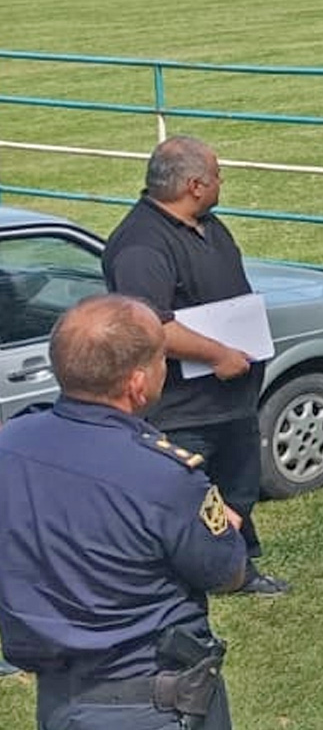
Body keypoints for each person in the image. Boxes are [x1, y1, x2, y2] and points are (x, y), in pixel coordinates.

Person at [0, 295, 248, 729]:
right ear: (137, 383)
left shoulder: (10, 443)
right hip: (154, 704)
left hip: (60, 703)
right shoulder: (166, 477)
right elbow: (227, 572)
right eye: (161, 359)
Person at [102, 135, 287, 596]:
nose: (222, 180)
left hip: (232, 399)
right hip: (186, 410)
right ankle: (181, 583)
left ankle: (238, 570)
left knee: (237, 490)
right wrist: (219, 354)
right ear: (195, 184)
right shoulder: (141, 246)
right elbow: (151, 326)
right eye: (218, 174)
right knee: (186, 501)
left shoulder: (208, 225)